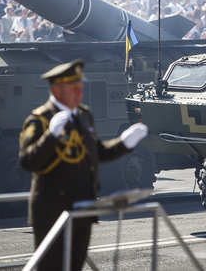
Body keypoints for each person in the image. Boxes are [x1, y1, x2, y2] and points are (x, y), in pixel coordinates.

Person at [19, 59, 148, 271]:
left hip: (82, 210)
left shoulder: (83, 115)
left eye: (80, 87)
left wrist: (125, 143)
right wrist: (50, 136)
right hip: (53, 212)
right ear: (57, 89)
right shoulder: (40, 120)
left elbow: (98, 153)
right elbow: (28, 161)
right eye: (74, 88)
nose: (79, 93)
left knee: (75, 267)